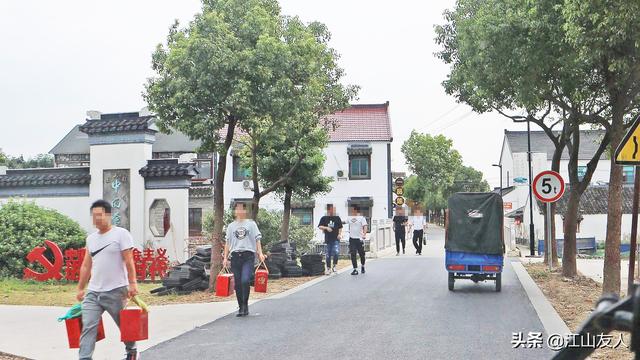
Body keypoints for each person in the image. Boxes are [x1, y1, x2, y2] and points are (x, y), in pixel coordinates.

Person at [76, 200, 139, 360]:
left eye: (99, 215)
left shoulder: (121, 234)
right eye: (94, 216)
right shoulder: (91, 239)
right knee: (88, 326)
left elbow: (129, 260)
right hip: (93, 292)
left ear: (109, 215)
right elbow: (86, 265)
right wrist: (81, 288)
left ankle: (132, 350)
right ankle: (84, 358)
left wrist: (132, 283)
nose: (96, 219)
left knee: (124, 326)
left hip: (116, 291)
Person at [222, 202, 266, 317]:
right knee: (237, 283)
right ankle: (241, 306)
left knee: (245, 280)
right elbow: (227, 243)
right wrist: (225, 258)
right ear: (234, 211)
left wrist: (260, 253)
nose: (239, 211)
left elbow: (257, 240)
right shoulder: (231, 226)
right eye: (237, 209)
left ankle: (245, 304)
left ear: (245, 211)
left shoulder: (251, 224)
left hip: (248, 256)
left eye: (242, 209)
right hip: (235, 257)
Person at [318, 204, 343, 275]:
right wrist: (326, 228)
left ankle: (334, 266)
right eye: (332, 209)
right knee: (328, 254)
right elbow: (320, 226)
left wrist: (339, 234)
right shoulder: (324, 218)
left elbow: (340, 227)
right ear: (328, 210)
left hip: (336, 239)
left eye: (334, 209)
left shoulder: (337, 218)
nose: (333, 210)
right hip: (328, 239)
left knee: (336, 252)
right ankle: (328, 268)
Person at [347, 205, 368, 275]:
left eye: (352, 210)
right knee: (353, 254)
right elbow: (344, 222)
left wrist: (364, 234)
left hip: (359, 239)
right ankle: (355, 269)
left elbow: (365, 226)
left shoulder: (361, 218)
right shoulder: (349, 218)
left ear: (356, 210)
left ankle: (362, 266)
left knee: (362, 254)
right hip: (352, 238)